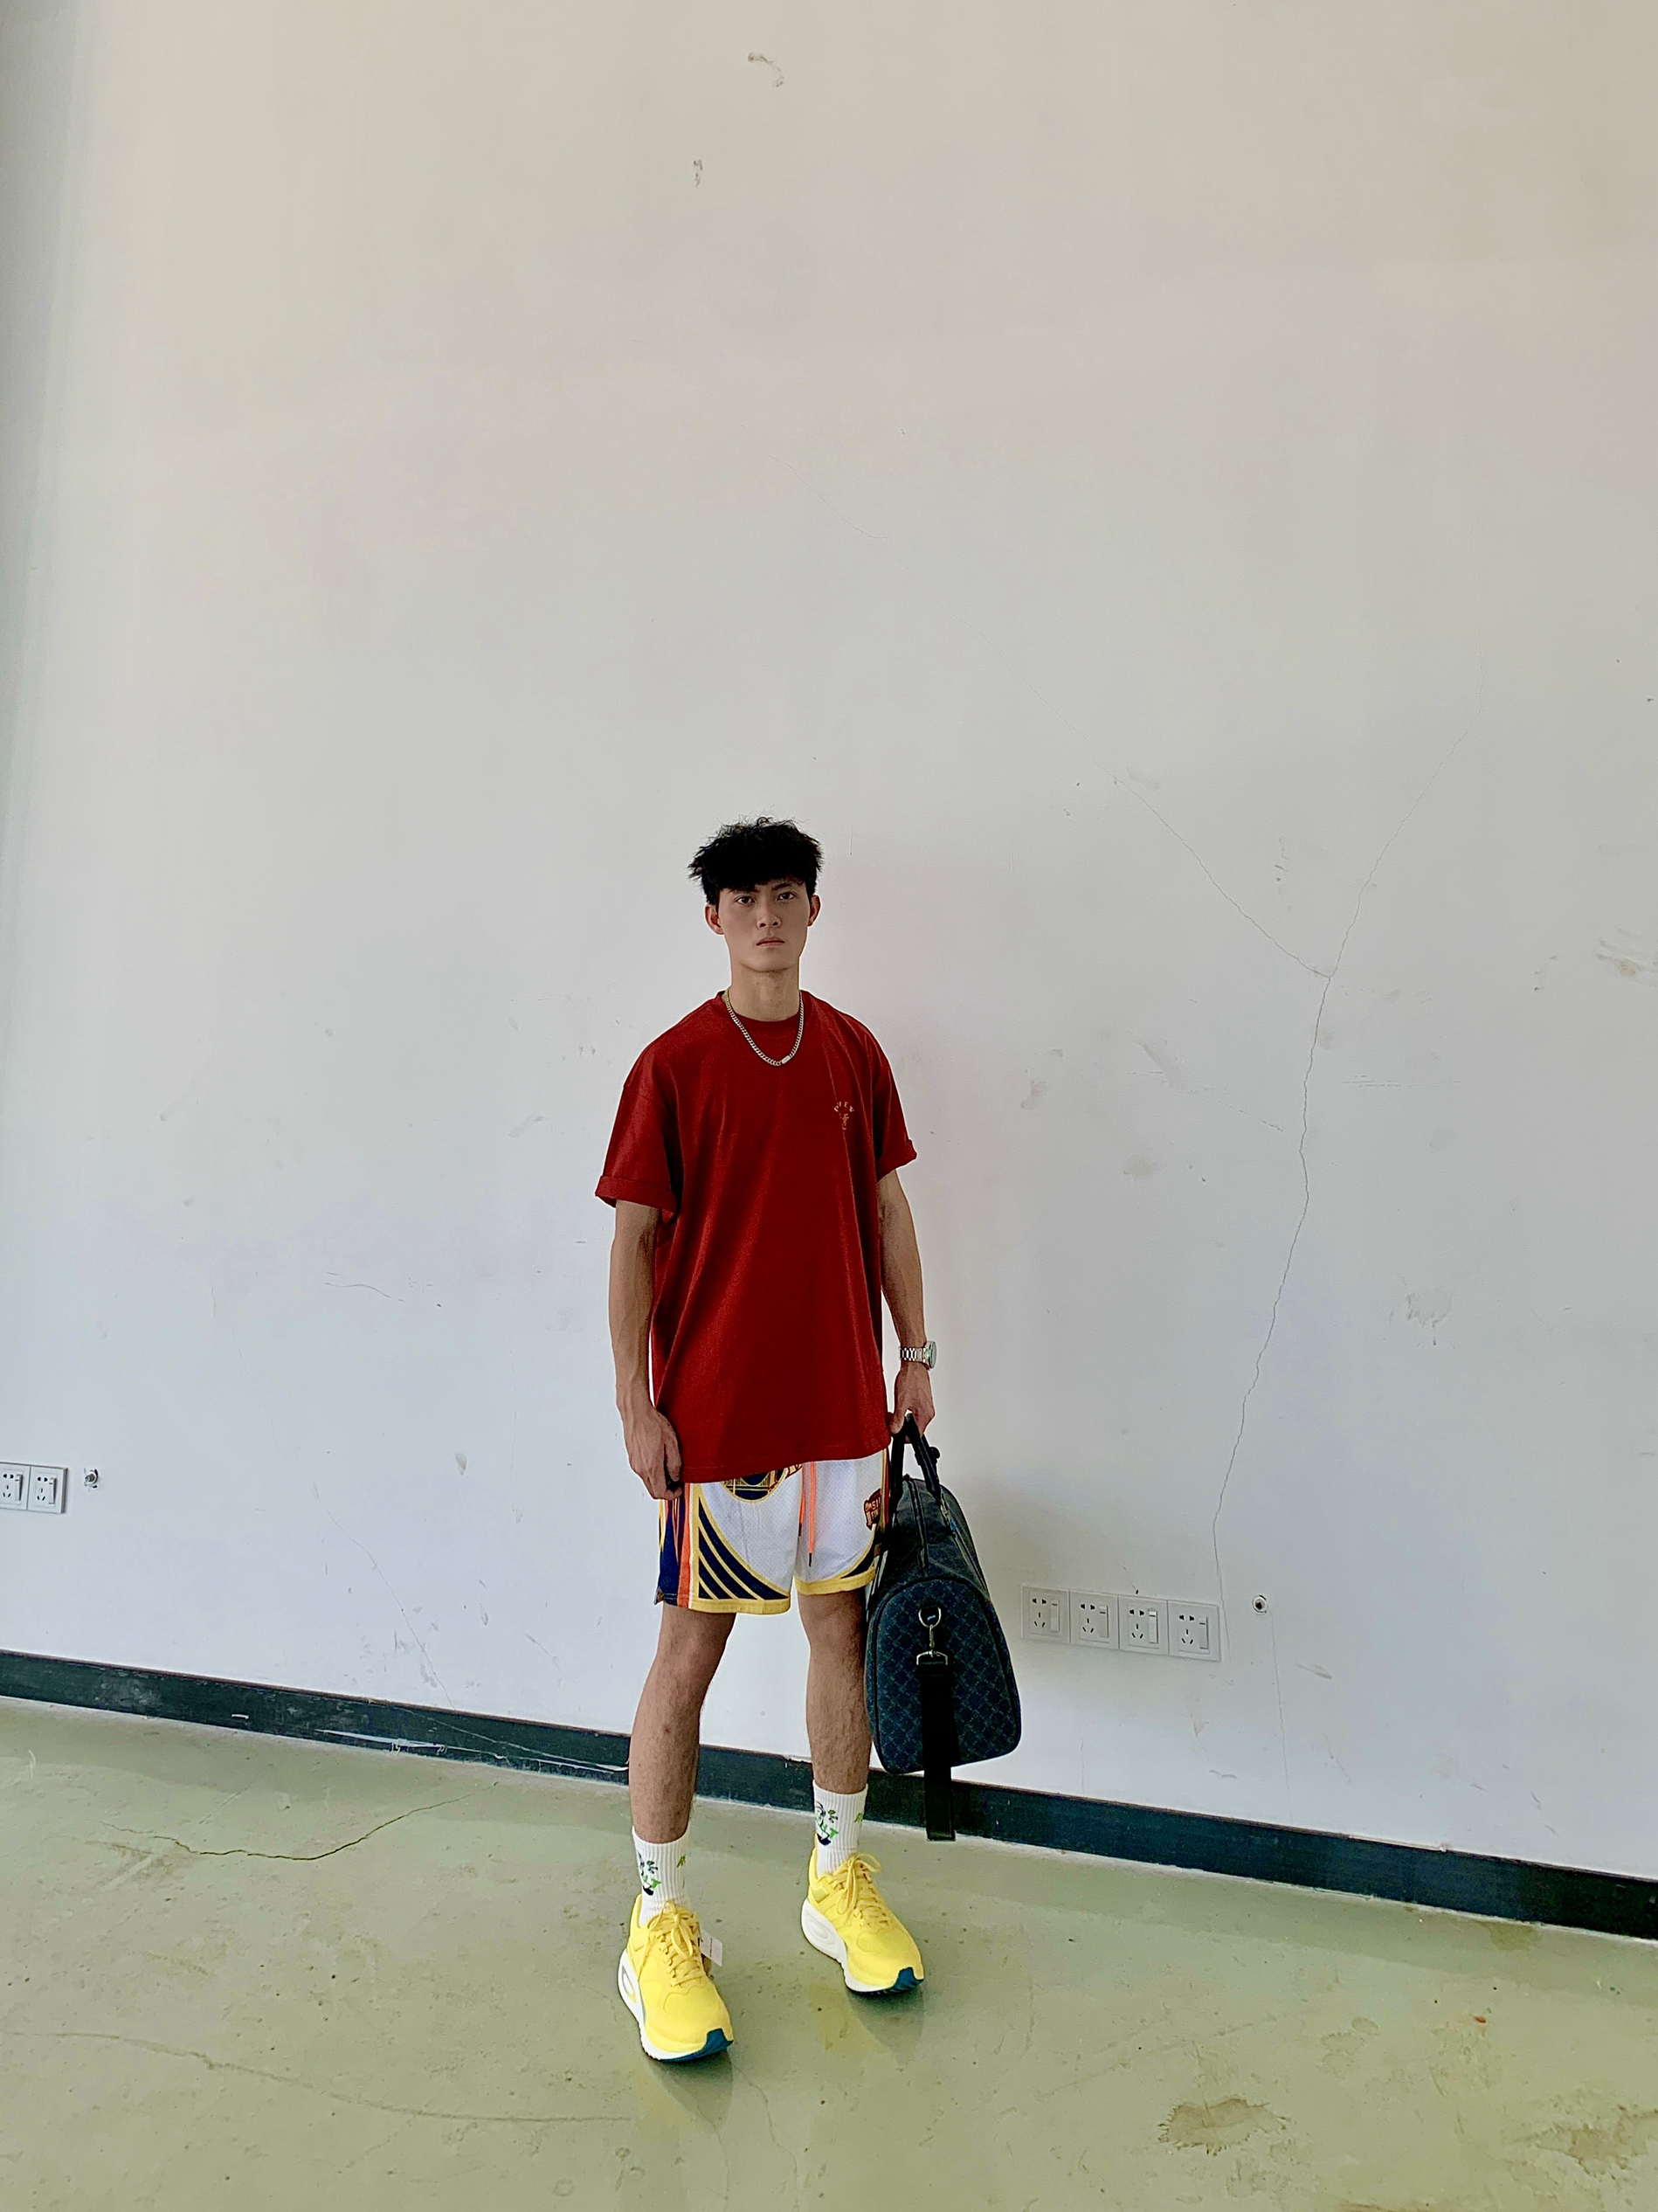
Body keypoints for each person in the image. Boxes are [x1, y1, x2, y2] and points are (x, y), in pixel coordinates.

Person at [597, 816, 938, 2063]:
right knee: (688, 1654)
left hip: (844, 1415)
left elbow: (888, 1207)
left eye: (786, 894)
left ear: (812, 909)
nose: (767, 916)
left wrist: (916, 1354)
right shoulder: (673, 1066)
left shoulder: (852, 1050)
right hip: (720, 1423)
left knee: (840, 1635)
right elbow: (633, 1241)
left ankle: (836, 1881)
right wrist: (636, 1404)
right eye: (744, 898)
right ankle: (656, 1923)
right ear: (714, 918)